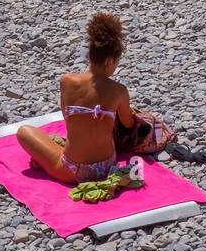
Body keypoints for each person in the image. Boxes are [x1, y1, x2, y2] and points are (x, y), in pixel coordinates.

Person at [16, 13, 136, 185]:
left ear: (90, 56)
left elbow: (68, 118)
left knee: (24, 131)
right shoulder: (119, 90)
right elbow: (129, 123)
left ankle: (46, 164)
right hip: (108, 166)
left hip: (73, 171)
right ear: (110, 62)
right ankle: (48, 162)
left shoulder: (67, 81)